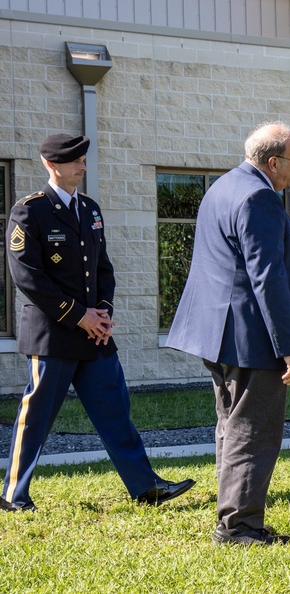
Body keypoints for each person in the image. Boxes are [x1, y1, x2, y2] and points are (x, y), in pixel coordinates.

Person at [1, 134, 194, 512]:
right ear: (51, 165)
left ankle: (145, 486)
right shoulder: (29, 211)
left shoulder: (90, 209)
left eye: (84, 160)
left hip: (95, 335)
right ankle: (13, 494)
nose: (83, 167)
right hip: (53, 336)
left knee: (115, 411)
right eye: (75, 162)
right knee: (36, 415)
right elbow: (28, 277)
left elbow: (103, 269)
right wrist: (79, 316)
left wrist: (101, 312)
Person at [166, 122, 290, 545]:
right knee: (253, 431)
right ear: (273, 162)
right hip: (250, 338)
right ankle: (239, 527)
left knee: (231, 428)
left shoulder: (222, 187)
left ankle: (233, 518)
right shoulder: (260, 197)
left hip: (218, 334)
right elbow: (267, 278)